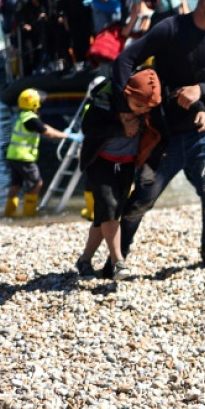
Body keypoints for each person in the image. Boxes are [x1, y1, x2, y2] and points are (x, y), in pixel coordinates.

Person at [111, 0, 205, 276]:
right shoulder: (170, 28)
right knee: (141, 202)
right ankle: (118, 258)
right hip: (162, 135)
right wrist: (125, 109)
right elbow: (125, 60)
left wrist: (202, 92)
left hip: (200, 132)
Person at [74, 69, 162, 280]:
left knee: (105, 215)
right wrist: (120, 129)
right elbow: (89, 127)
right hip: (100, 162)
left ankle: (84, 260)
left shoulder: (146, 110)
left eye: (146, 108)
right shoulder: (106, 101)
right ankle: (118, 262)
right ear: (127, 93)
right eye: (138, 106)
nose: (141, 111)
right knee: (110, 208)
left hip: (126, 165)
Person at [4, 88, 81, 217]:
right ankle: (29, 214)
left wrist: (63, 132)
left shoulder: (24, 116)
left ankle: (8, 214)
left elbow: (44, 126)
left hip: (13, 155)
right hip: (24, 157)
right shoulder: (31, 119)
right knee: (36, 183)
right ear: (34, 103)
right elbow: (48, 133)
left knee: (15, 185)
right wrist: (67, 136)